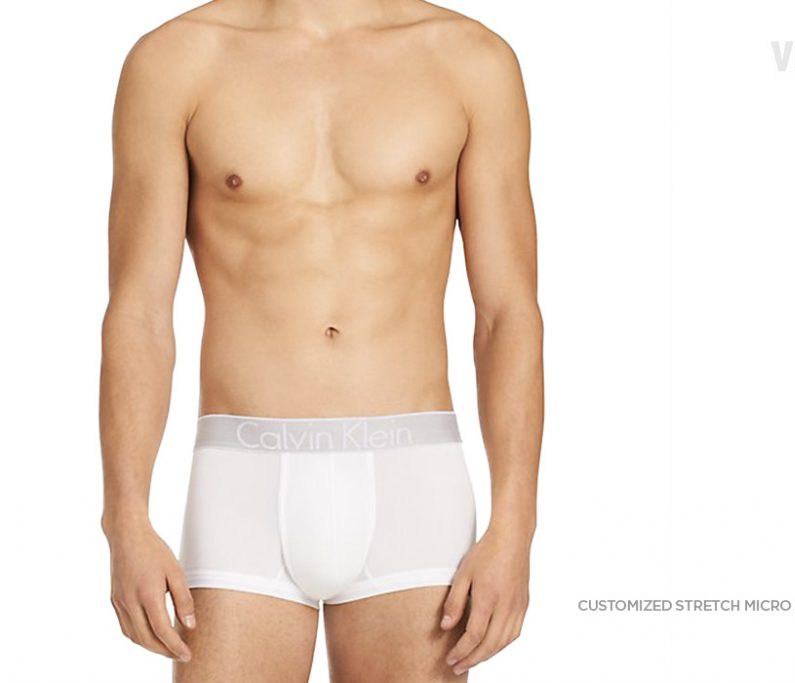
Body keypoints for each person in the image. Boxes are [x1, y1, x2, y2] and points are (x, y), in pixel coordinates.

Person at [98, 0, 543, 680]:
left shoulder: (469, 60)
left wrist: (516, 525)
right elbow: (139, 312)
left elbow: (507, 313)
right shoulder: (176, 60)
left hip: (413, 483)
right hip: (240, 484)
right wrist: (125, 516)